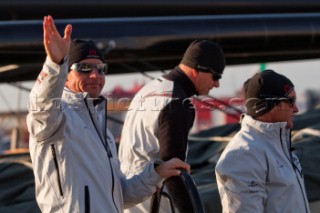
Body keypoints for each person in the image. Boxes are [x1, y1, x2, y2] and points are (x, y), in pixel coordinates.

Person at [26, 15, 190, 213]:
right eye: (84, 68)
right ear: (66, 74)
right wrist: (54, 64)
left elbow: (120, 195)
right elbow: (41, 105)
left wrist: (156, 173)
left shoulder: (104, 133)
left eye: (101, 69)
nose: (95, 75)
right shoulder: (56, 119)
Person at [118, 40, 226, 212]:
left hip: (128, 193)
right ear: (196, 70)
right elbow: (174, 168)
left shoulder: (150, 89)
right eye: (216, 76)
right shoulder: (177, 103)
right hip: (155, 200)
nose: (217, 84)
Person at [215, 70, 310, 213]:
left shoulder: (279, 146)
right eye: (290, 102)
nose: (296, 109)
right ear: (271, 105)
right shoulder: (243, 154)